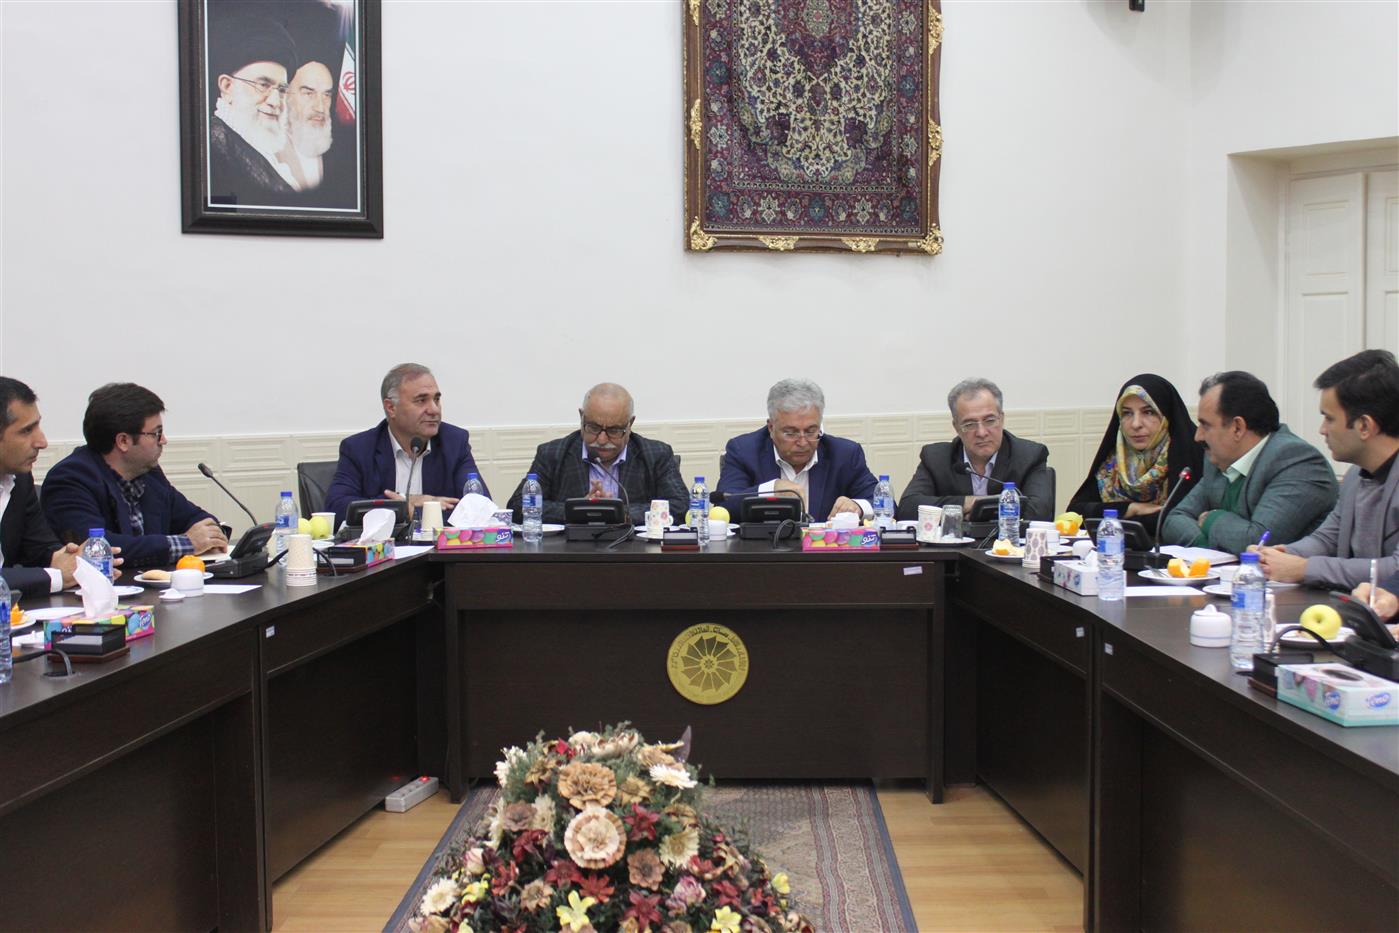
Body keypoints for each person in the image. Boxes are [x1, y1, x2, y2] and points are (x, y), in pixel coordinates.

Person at [41, 384, 226, 570]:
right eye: (156, 433)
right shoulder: (71, 479)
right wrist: (187, 543)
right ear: (123, 441)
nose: (164, 440)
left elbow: (195, 518)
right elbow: (97, 548)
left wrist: (210, 535)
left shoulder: (149, 473)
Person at [1258, 350, 1399, 587]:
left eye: (1329, 418)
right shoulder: (1356, 476)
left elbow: (1396, 570)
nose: (1322, 430)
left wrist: (1304, 569)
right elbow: (1327, 539)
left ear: (1364, 426)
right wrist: (1280, 555)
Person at [1160, 371, 1337, 554]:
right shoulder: (1219, 459)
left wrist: (1211, 519)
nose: (1198, 436)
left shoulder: (1296, 461)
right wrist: (1207, 548)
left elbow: (1258, 542)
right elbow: (1174, 520)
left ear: (1237, 428)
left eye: (1205, 425)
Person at [325, 364, 486, 525]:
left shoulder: (454, 442)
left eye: (436, 399)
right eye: (421, 400)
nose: (434, 410)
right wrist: (405, 502)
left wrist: (413, 512)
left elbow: (481, 508)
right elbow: (336, 508)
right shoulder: (359, 448)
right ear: (391, 408)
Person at [505, 383, 687, 525]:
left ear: (630, 424)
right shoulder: (552, 454)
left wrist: (619, 512)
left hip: (635, 554)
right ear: (581, 417)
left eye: (614, 430)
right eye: (593, 427)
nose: (601, 439)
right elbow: (518, 506)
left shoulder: (656, 455)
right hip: (569, 554)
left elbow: (682, 507)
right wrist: (577, 510)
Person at [717, 378, 877, 521]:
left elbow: (882, 502)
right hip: (765, 545)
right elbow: (723, 506)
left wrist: (858, 506)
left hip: (825, 546)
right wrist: (771, 489)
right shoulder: (744, 451)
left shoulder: (845, 454)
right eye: (790, 433)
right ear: (771, 427)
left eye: (811, 431)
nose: (802, 442)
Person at [895, 378, 1053, 522]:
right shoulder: (936, 458)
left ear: (1002, 419)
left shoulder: (1029, 455)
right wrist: (967, 502)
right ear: (956, 427)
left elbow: (1040, 512)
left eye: (989, 421)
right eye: (969, 424)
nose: (981, 433)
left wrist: (980, 511)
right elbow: (907, 508)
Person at [1067, 374, 1202, 534]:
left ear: (1167, 416)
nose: (1136, 424)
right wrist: (1131, 508)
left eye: (1148, 412)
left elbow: (1178, 520)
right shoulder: (1113, 462)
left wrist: (1113, 517)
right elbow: (1075, 514)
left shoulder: (1190, 454)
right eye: (1127, 413)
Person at [206, 8, 299, 205]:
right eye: (263, 85)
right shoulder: (213, 145)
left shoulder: (262, 150)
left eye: (282, 90)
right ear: (227, 87)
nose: (275, 101)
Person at [0, 377, 82, 596]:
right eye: (26, 431)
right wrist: (55, 576)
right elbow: (54, 574)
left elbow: (39, 549)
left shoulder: (19, 479)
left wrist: (69, 559)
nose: (42, 442)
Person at [279, 60, 335, 193]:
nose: (320, 108)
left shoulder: (341, 152)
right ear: (286, 95)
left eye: (326, 95)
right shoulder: (269, 150)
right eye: (309, 94)